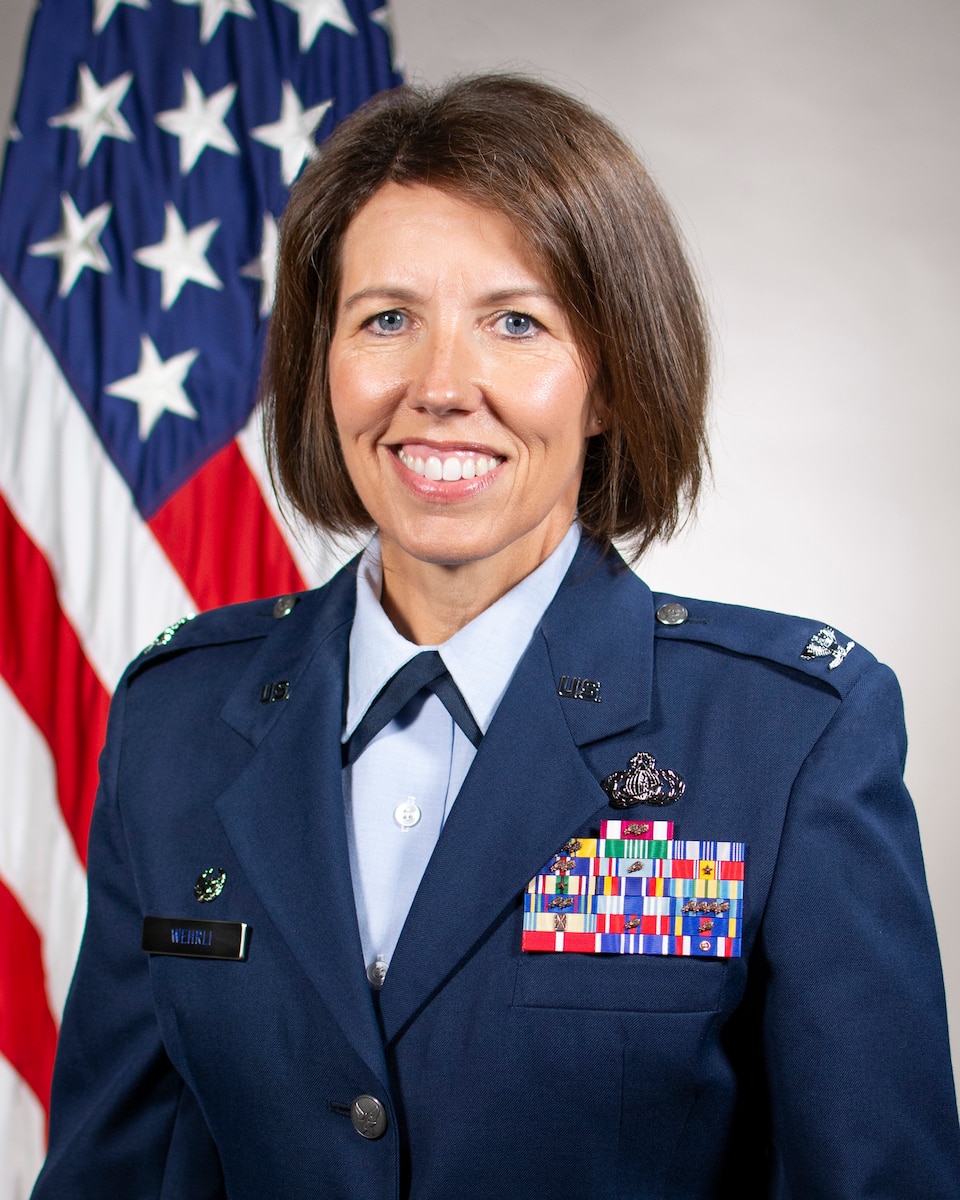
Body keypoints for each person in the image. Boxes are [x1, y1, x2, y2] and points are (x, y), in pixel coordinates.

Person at [33, 75, 960, 1199]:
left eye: (515, 323)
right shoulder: (176, 718)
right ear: (320, 365)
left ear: (611, 380)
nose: (440, 387)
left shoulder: (784, 737)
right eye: (386, 320)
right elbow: (113, 1172)